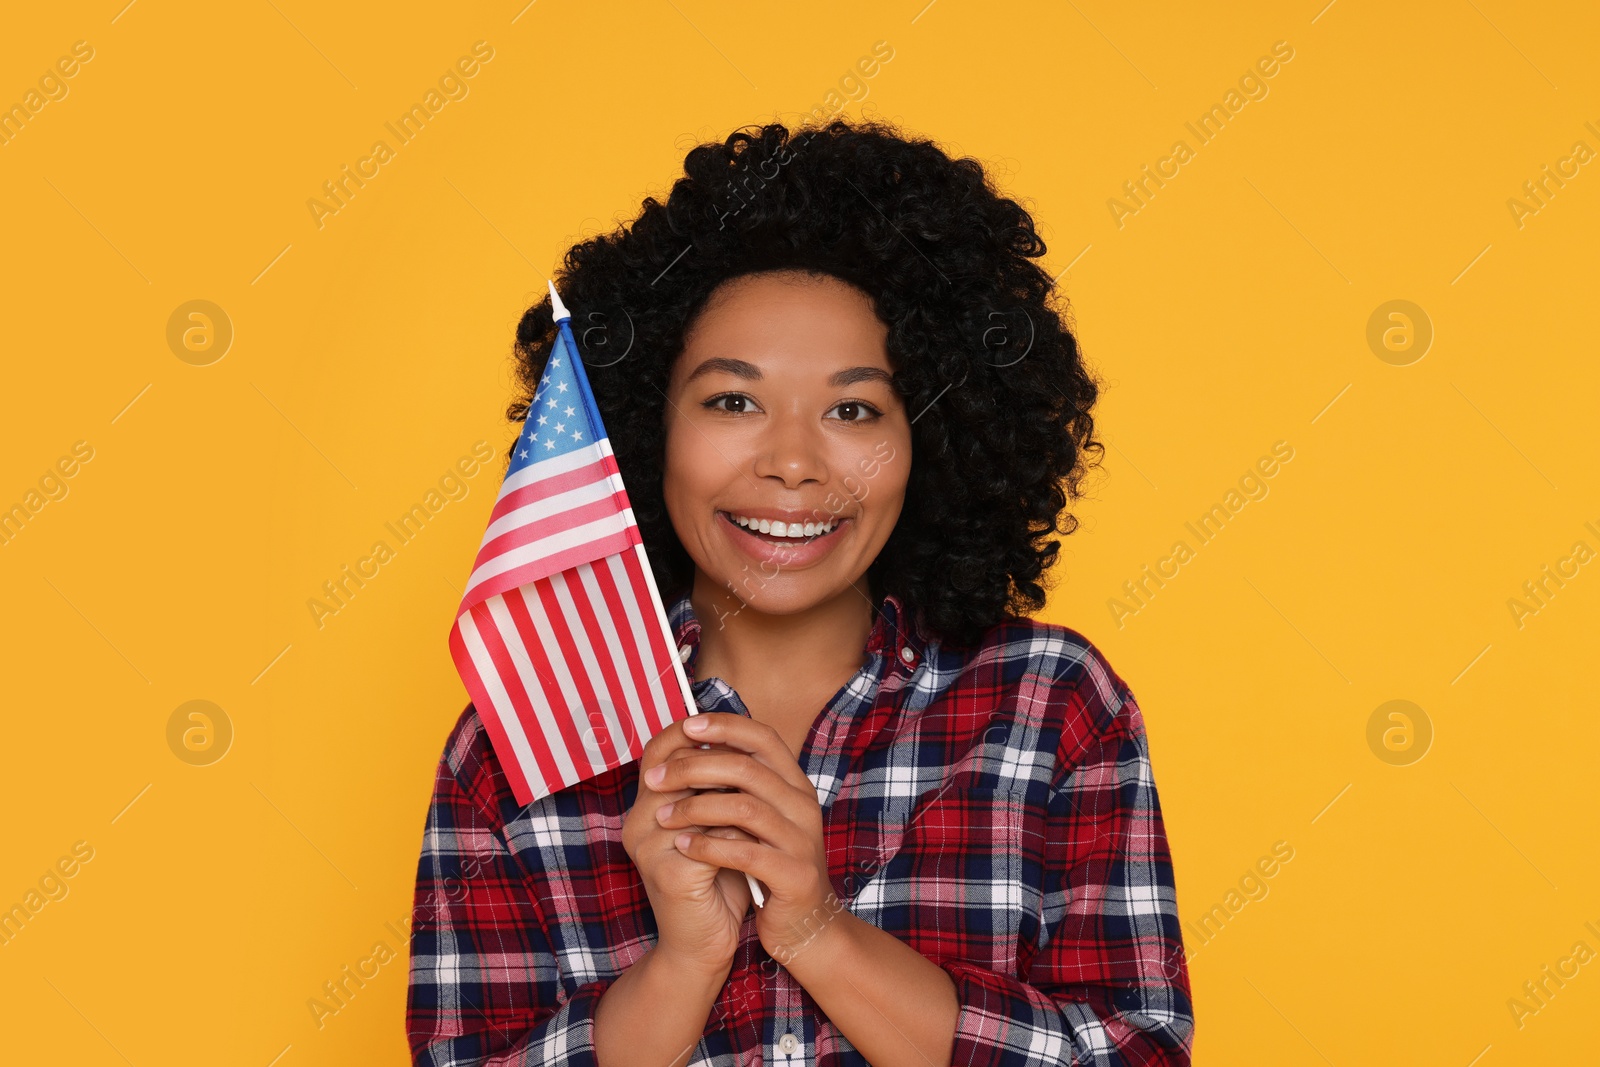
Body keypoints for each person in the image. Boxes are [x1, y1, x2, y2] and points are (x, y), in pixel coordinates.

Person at [406, 117, 1194, 1066]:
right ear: (647, 428)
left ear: (931, 440)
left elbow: (1139, 1055)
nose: (789, 463)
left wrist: (815, 928)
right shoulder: (515, 743)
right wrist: (686, 962)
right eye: (732, 400)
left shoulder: (1050, 703)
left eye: (854, 408)